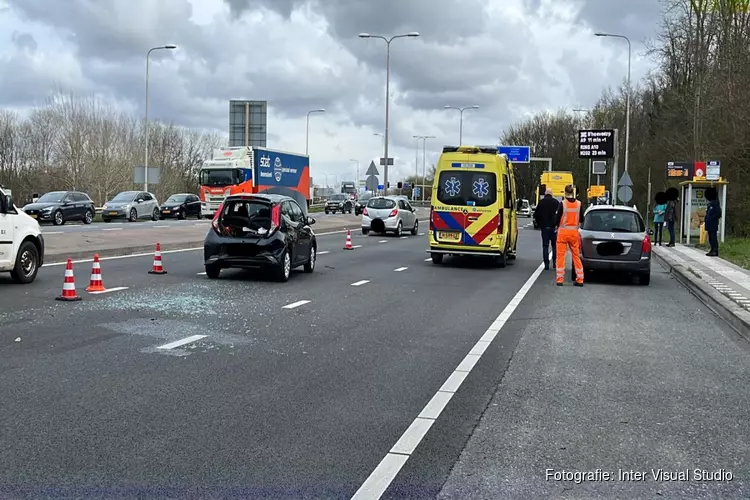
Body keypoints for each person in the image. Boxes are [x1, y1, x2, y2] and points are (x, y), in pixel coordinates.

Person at [555, 184, 584, 287]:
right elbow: (581, 219)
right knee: (576, 256)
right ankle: (580, 278)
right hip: (574, 234)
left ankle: (560, 279)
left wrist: (557, 227)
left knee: (561, 256)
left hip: (563, 233)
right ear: (573, 192)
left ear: (565, 192)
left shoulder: (562, 204)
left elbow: (557, 219)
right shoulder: (579, 204)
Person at [533, 188, 559, 270]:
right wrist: (557, 224)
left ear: (545, 194)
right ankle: (555, 262)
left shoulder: (541, 202)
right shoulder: (556, 202)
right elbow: (559, 215)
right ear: (552, 194)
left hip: (544, 227)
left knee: (545, 246)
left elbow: (536, 214)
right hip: (553, 227)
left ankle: (546, 264)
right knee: (554, 246)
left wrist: (539, 223)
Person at [704, 187, 722, 256]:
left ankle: (715, 250)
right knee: (710, 238)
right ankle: (712, 249)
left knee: (713, 237)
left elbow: (718, 213)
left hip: (713, 224)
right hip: (709, 224)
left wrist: (712, 218)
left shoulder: (715, 204)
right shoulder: (710, 204)